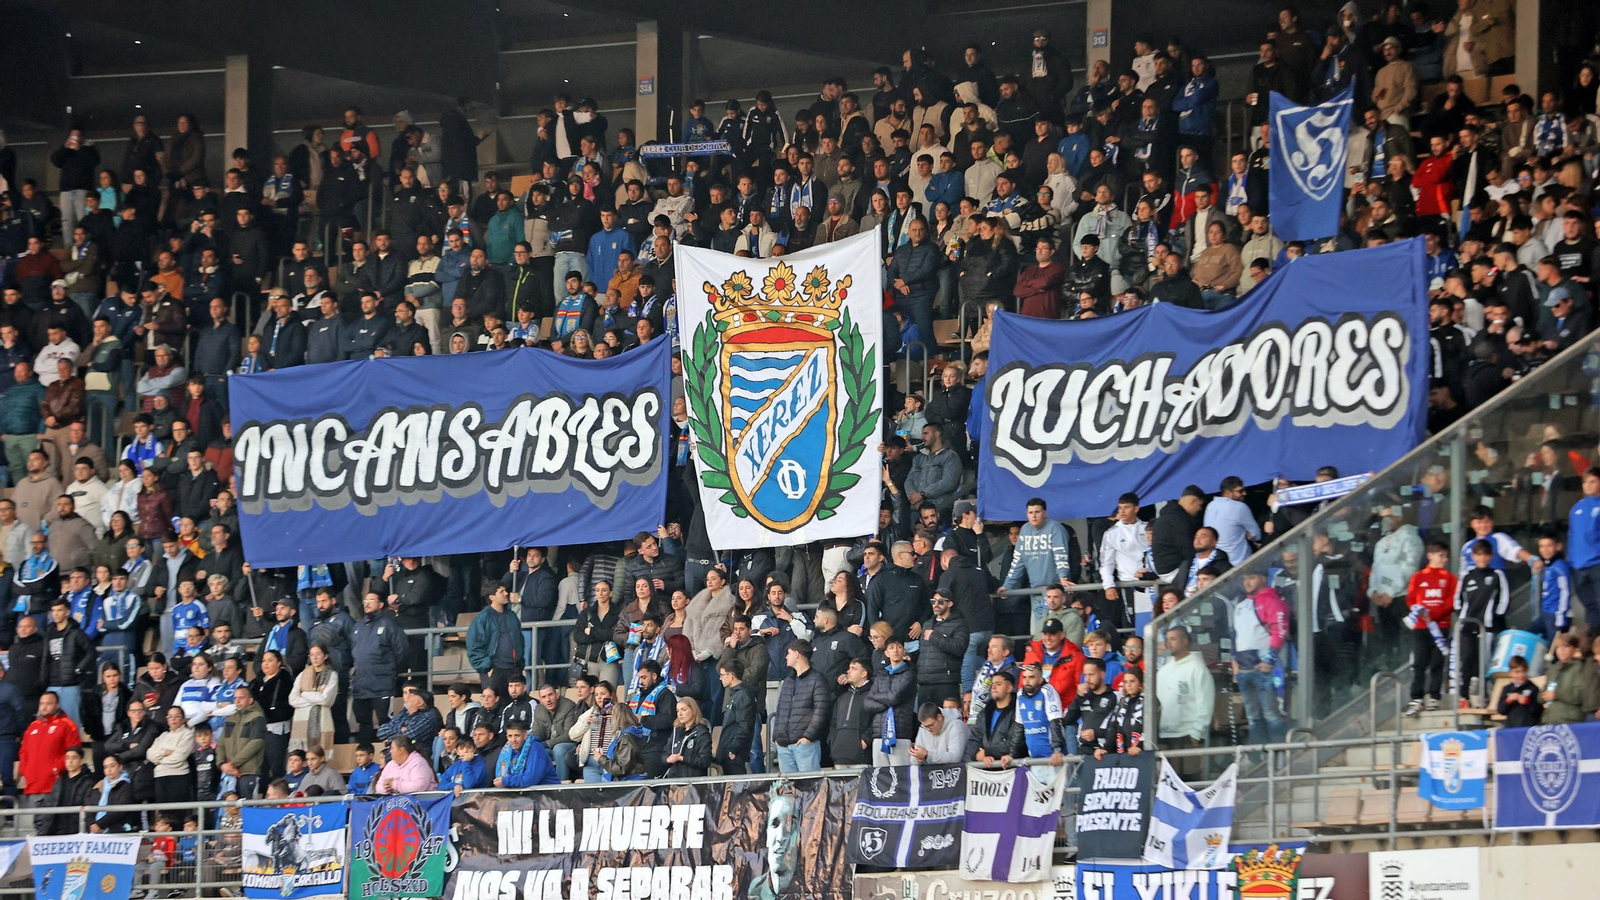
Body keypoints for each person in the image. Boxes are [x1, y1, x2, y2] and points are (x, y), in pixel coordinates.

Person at [770, 640, 829, 774]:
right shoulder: (788, 681)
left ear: (797, 654)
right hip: (784, 745)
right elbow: (780, 711)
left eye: (788, 653)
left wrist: (808, 737)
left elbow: (821, 712)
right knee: (790, 790)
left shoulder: (817, 679)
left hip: (804, 745)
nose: (786, 657)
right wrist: (777, 737)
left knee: (809, 789)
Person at [715, 660, 756, 775]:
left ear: (731, 676)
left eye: (722, 675)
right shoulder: (736, 694)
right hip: (729, 750)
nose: (720, 678)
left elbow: (744, 726)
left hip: (734, 754)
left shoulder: (743, 695)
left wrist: (734, 749)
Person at [493, 722, 557, 787]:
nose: (513, 740)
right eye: (510, 736)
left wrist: (505, 781)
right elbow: (500, 776)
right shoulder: (506, 751)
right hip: (524, 794)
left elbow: (530, 779)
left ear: (525, 736)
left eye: (517, 735)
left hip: (547, 793)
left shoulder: (535, 747)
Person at [663, 697, 713, 778]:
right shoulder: (676, 732)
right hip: (674, 783)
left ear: (693, 710)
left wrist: (682, 758)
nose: (680, 714)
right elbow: (665, 754)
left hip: (694, 784)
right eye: (677, 711)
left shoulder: (702, 733)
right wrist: (668, 759)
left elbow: (705, 761)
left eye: (684, 709)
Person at [1495, 656, 1542, 729]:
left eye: (1523, 671)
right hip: (1511, 727)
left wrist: (1527, 702)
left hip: (1527, 727)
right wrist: (1508, 700)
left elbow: (1538, 710)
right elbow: (1501, 710)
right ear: (1510, 673)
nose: (1520, 675)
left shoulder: (1533, 688)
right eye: (1517, 672)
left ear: (1527, 670)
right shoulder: (1507, 689)